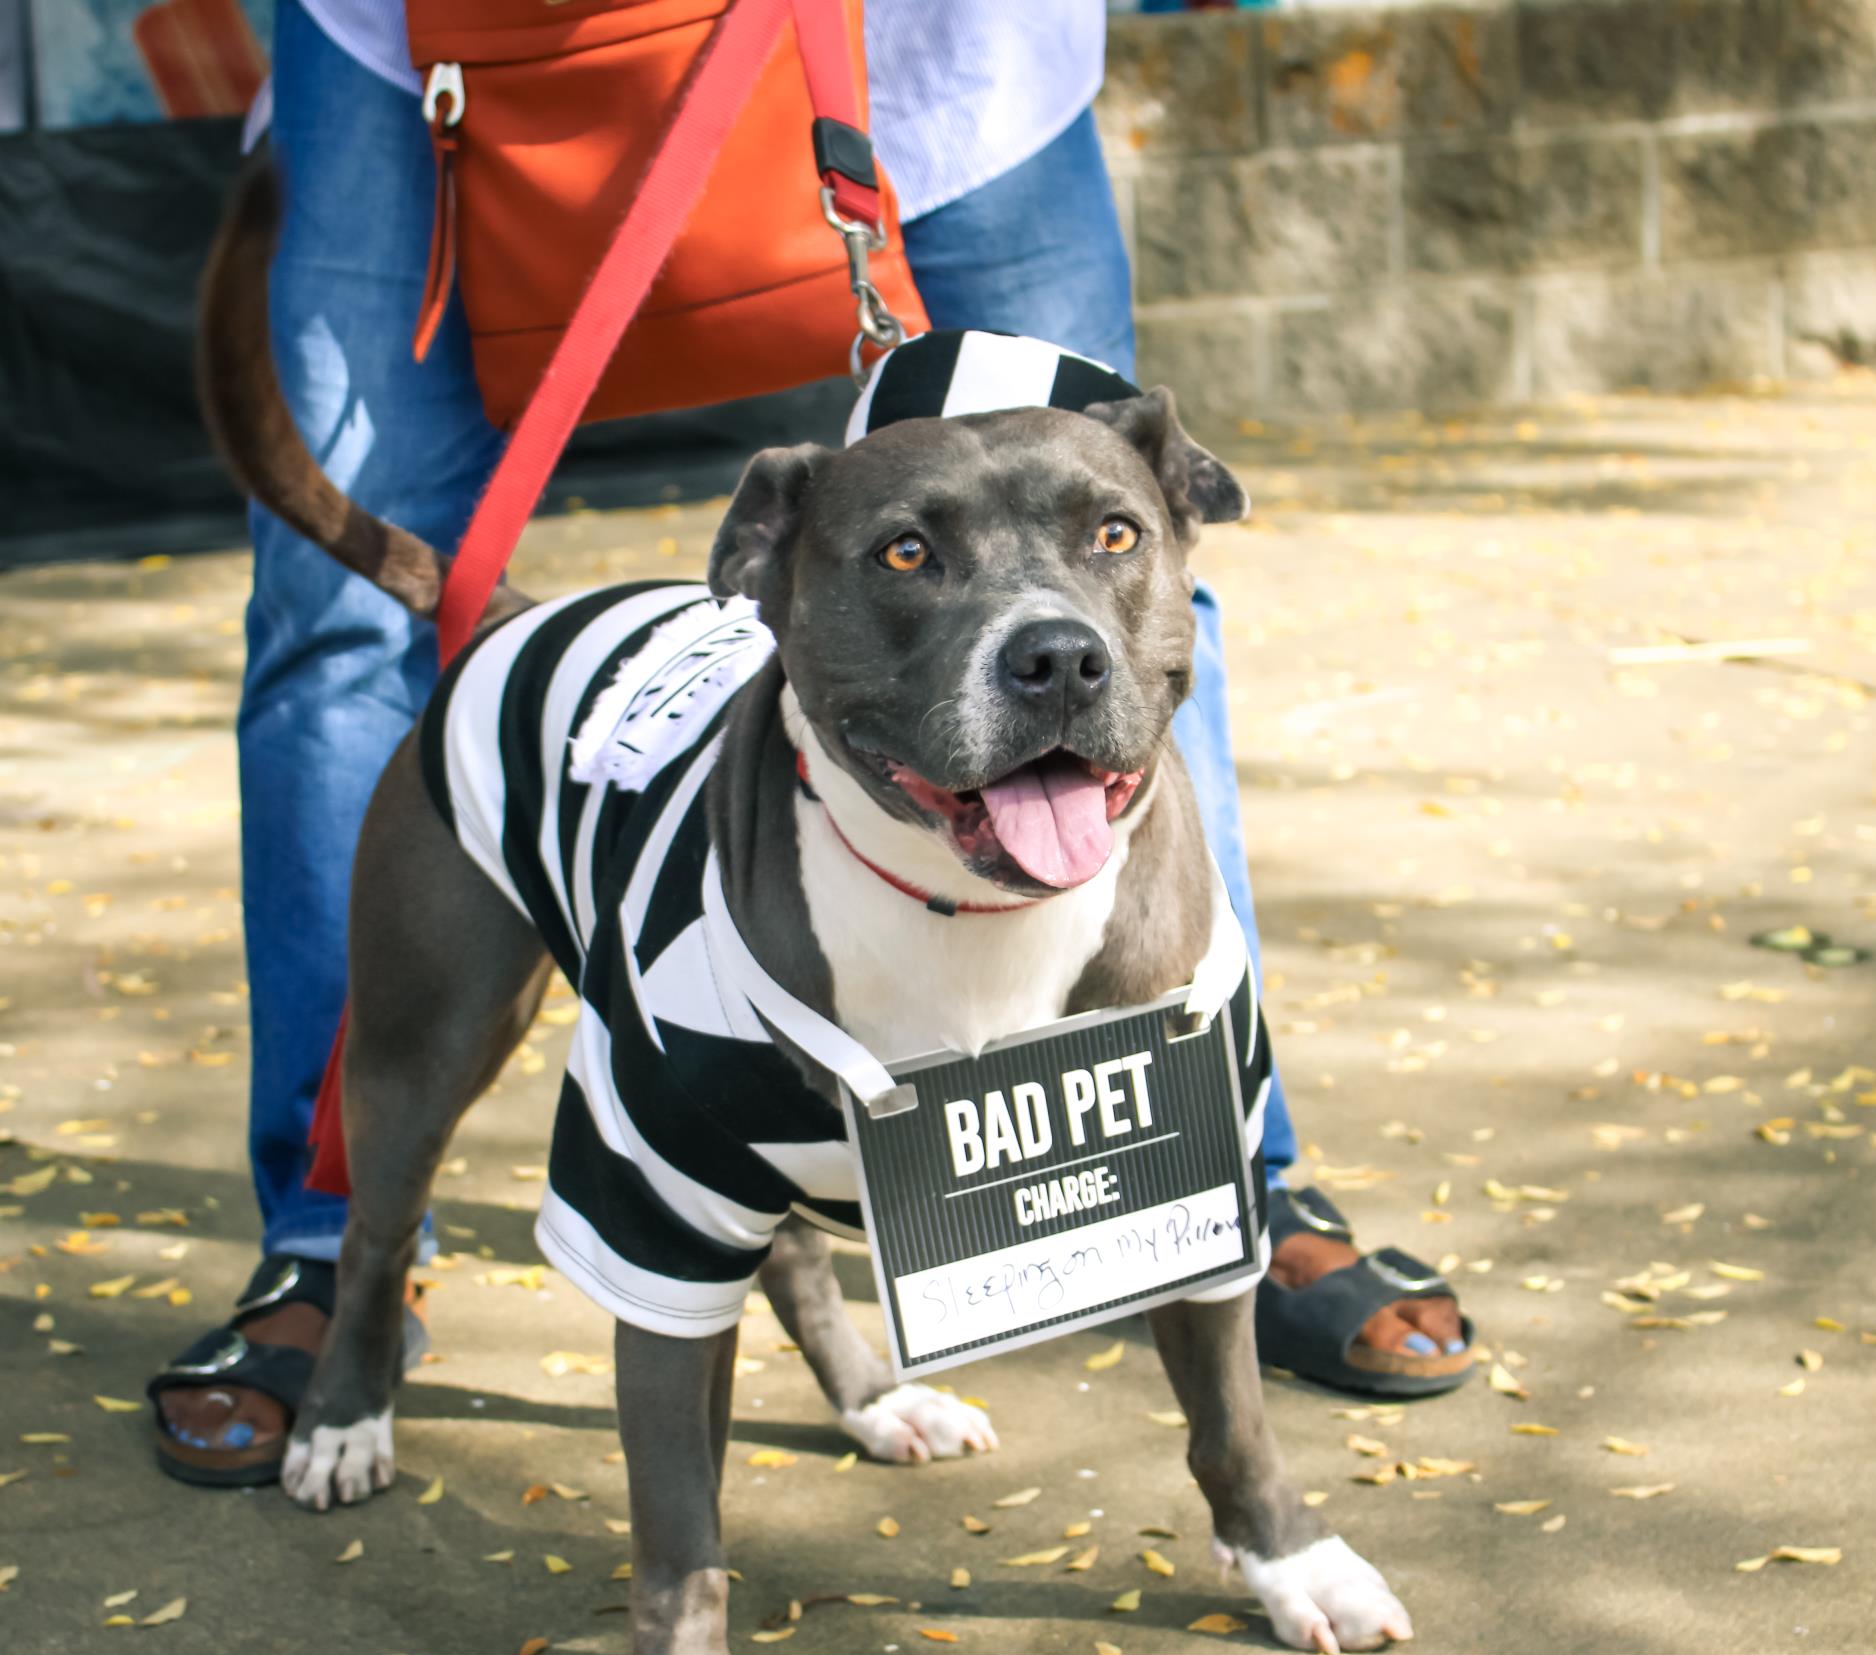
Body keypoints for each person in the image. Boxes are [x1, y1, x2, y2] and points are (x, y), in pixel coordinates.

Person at [147, 0, 1471, 1487]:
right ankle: (339, 1250)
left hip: (944, 46)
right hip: (437, 42)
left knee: (1114, 596)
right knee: (340, 626)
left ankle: (1229, 1176)